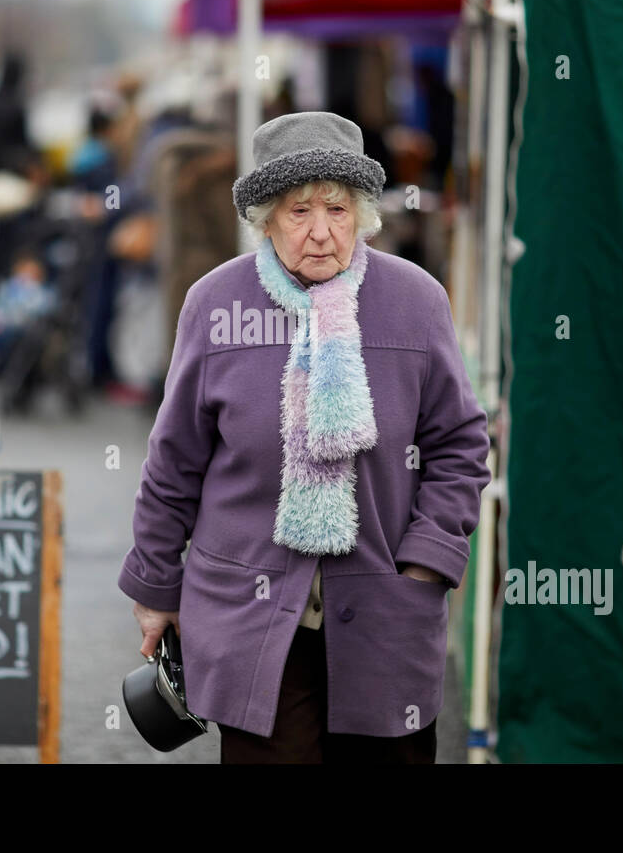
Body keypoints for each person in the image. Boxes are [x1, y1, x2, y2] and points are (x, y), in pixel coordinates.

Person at [118, 111, 491, 763]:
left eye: (337, 210)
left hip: (385, 608)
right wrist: (155, 589)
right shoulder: (215, 303)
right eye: (298, 212)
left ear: (364, 214)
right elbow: (173, 458)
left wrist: (427, 558)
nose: (321, 233)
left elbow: (459, 441)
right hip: (250, 613)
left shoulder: (417, 301)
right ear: (264, 219)